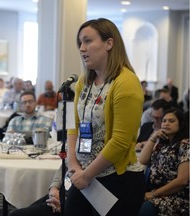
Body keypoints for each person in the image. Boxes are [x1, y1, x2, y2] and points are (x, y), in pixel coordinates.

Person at [66, 18, 145, 216]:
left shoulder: (126, 82)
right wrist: (73, 163)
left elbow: (120, 141)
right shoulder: (85, 81)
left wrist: (87, 174)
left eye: (87, 41)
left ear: (109, 43)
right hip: (83, 173)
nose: (82, 48)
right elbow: (73, 125)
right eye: (80, 43)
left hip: (117, 178)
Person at [138, 108, 189, 216]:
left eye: (171, 121)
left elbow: (182, 180)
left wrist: (153, 194)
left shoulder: (185, 145)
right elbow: (142, 160)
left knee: (144, 210)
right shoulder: (162, 145)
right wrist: (154, 137)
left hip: (177, 196)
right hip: (157, 193)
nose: (166, 124)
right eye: (164, 121)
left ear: (181, 124)